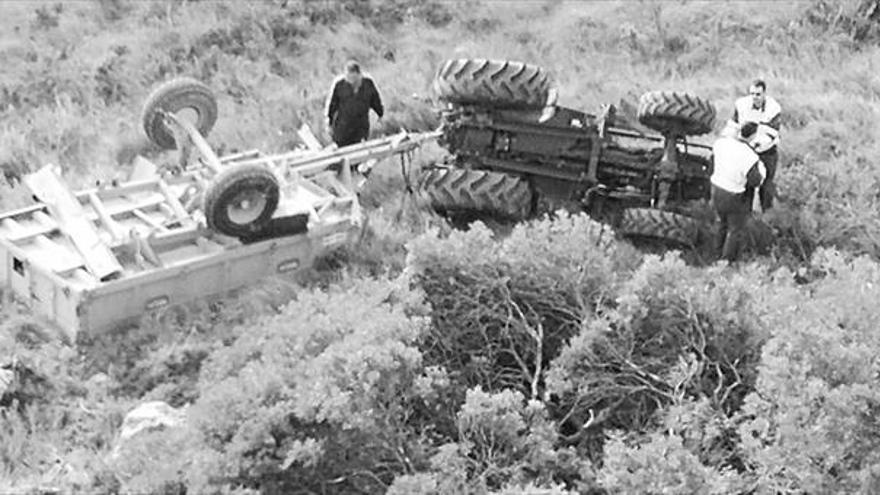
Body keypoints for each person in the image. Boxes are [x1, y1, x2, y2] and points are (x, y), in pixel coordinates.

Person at [711, 122, 767, 263]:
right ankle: (726, 262)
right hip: (734, 194)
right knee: (734, 230)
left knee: (721, 224)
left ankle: (716, 254)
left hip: (716, 188)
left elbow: (712, 162)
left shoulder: (721, 144)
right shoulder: (749, 156)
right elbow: (755, 181)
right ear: (753, 136)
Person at [731, 79, 781, 212]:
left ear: (764, 94)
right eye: (752, 93)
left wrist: (755, 143)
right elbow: (733, 126)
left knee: (766, 185)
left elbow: (772, 134)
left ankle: (768, 214)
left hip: (767, 151)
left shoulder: (774, 108)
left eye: (758, 94)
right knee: (745, 183)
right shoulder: (741, 104)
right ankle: (745, 214)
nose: (755, 97)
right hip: (746, 150)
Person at [324, 60, 384, 147]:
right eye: (350, 80)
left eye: (355, 80)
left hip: (361, 128)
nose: (352, 82)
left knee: (360, 153)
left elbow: (376, 102)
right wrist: (328, 124)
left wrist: (380, 116)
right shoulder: (339, 85)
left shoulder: (368, 84)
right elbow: (331, 106)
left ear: (360, 75)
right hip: (343, 129)